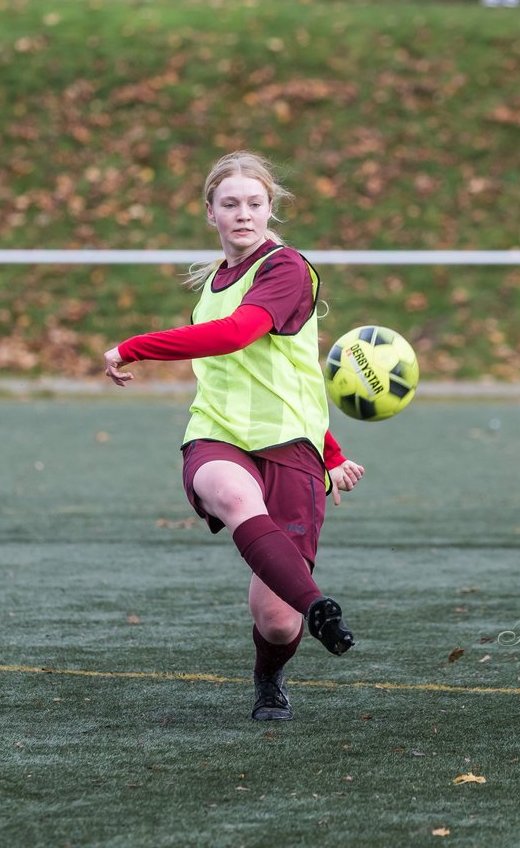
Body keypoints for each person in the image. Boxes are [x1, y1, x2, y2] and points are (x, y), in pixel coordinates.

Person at [103, 150, 365, 722]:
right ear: (210, 213)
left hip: (290, 448)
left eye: (254, 203)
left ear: (271, 208)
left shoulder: (286, 268)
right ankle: (320, 606)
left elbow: (250, 346)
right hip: (216, 437)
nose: (243, 213)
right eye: (230, 204)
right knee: (232, 494)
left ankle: (270, 673)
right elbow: (241, 364)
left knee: (277, 619)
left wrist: (331, 452)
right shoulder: (216, 283)